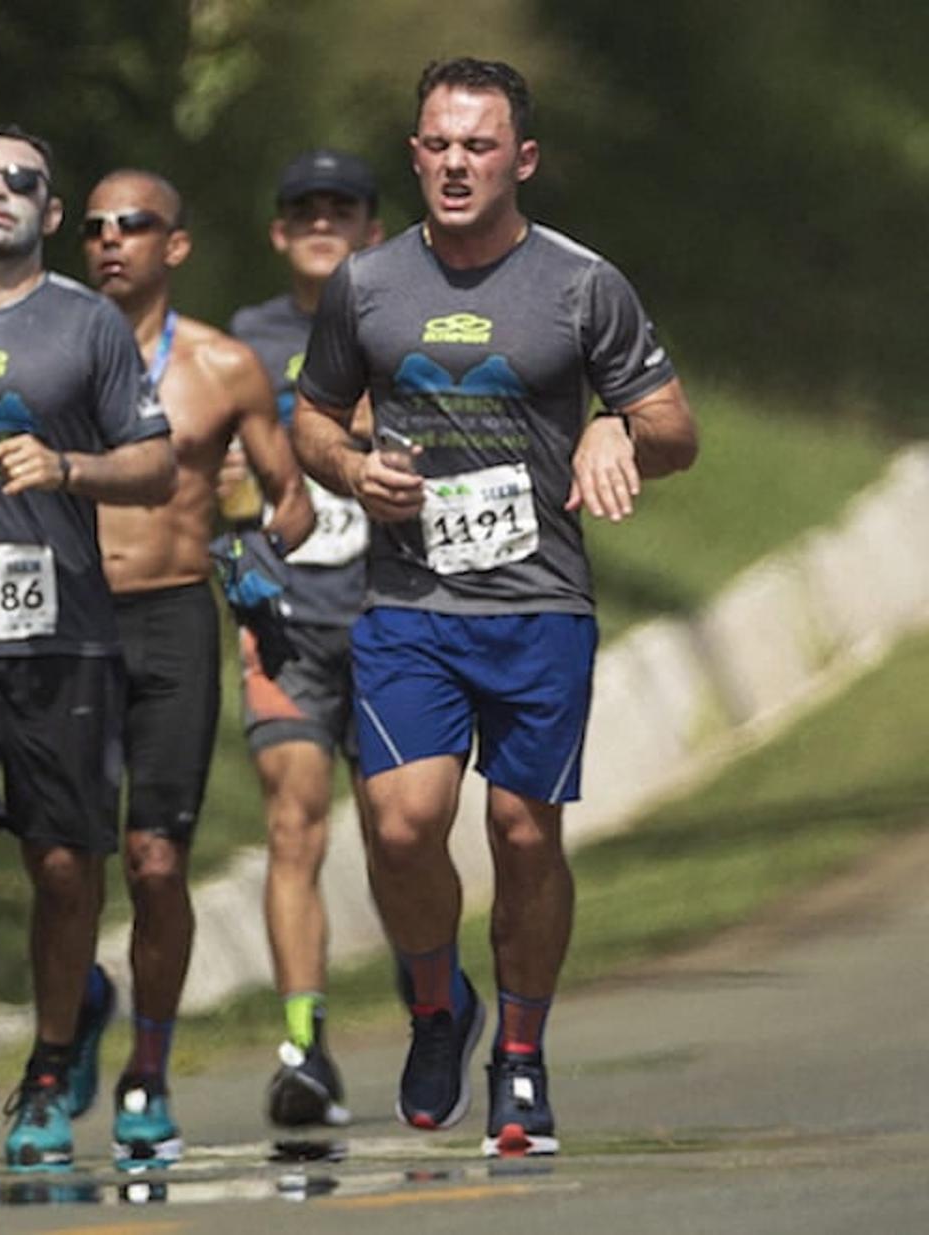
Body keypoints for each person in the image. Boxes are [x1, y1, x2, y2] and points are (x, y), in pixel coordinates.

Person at [291, 58, 698, 1157]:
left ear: (522, 159)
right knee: (403, 821)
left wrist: (617, 427)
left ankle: (521, 1054)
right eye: (437, 144)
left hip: (539, 603)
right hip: (410, 603)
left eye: (479, 146)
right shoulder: (367, 285)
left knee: (524, 834)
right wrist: (349, 467)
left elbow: (676, 429)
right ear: (415, 154)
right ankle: (438, 1004)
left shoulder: (581, 284)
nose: (456, 164)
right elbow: (313, 417)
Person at [0, 125, 178, 1172]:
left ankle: (50, 1068)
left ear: (50, 214)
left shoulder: (91, 325)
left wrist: (69, 468)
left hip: (66, 631)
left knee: (65, 865)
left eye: (21, 181)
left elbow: (155, 464)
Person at [80, 168, 315, 1166]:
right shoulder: (48, 356)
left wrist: (251, 522)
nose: (110, 240)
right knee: (62, 858)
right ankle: (74, 1008)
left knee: (156, 859)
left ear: (174, 246)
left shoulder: (223, 366)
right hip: (69, 621)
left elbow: (293, 500)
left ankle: (148, 1069)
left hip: (175, 616)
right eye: (94, 227)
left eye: (133, 224)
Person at [216, 149, 385, 1131]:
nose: (322, 222)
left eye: (342, 208)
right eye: (303, 209)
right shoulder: (242, 345)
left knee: (400, 833)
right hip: (287, 625)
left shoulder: (403, 322)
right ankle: (303, 1045)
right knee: (294, 818)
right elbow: (217, 491)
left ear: (371, 226)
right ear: (279, 231)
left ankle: (430, 1010)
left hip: (396, 622)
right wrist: (244, 602)